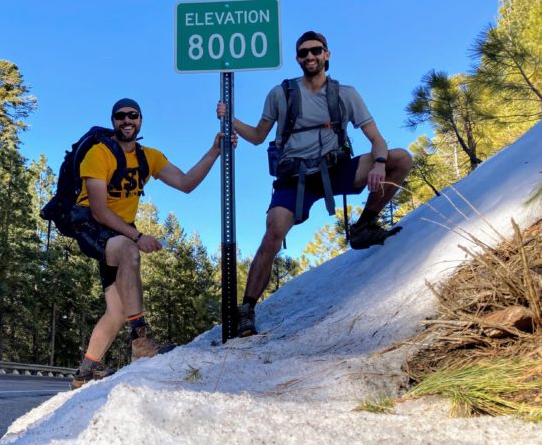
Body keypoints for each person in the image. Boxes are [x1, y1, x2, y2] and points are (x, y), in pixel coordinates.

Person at [218, 31, 413, 337]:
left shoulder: (345, 94)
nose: (310, 57)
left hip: (335, 170)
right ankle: (247, 309)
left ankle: (365, 226)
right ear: (297, 58)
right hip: (294, 179)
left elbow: (375, 138)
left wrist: (378, 163)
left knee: (400, 159)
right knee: (273, 234)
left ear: (327, 54)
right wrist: (230, 119)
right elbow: (257, 136)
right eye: (303, 53)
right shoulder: (280, 94)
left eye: (315, 51)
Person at [71, 97, 226, 388]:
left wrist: (214, 152)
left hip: (119, 232)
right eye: (120, 116)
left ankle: (84, 373)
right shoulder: (98, 153)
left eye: (133, 115)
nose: (127, 121)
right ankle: (141, 339)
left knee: (117, 311)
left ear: (140, 120)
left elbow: (186, 183)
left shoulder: (149, 157)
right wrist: (138, 237)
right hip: (90, 223)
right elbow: (99, 210)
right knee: (129, 250)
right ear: (113, 121)